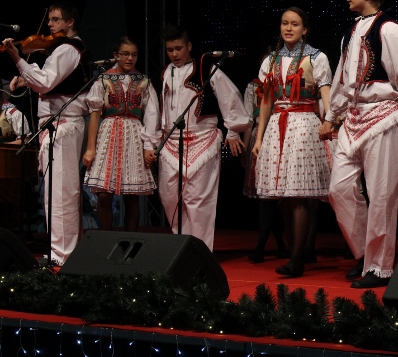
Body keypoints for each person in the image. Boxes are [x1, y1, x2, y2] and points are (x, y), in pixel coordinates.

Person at [319, 0, 398, 288]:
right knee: (339, 190)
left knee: (381, 193)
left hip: (382, 113)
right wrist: (331, 115)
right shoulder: (350, 32)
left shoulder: (388, 29)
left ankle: (380, 266)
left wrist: (396, 102)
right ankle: (365, 253)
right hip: (353, 116)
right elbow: (341, 78)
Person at [2, 1, 90, 265]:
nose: (49, 25)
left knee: (61, 193)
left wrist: (17, 58)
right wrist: (25, 77)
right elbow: (46, 79)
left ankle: (62, 257)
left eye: (55, 19)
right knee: (56, 193)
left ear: (70, 22)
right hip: (56, 125)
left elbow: (44, 83)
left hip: (64, 124)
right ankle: (60, 252)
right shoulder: (61, 49)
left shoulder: (68, 49)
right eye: (49, 19)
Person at [252, 6, 332, 277]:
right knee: (284, 197)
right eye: (285, 23)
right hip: (277, 125)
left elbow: (325, 93)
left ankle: (298, 257)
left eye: (295, 24)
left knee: (298, 194)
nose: (288, 28)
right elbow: (266, 101)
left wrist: (329, 120)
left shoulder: (316, 57)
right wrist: (259, 137)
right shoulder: (271, 60)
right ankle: (292, 253)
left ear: (304, 29)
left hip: (303, 124)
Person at [156, 24, 251, 251]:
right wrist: (152, 141)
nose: (174, 54)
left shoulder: (205, 68)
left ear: (189, 46)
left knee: (198, 199)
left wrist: (233, 129)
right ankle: (181, 246)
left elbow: (229, 96)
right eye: (170, 50)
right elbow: (155, 110)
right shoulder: (164, 73)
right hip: (171, 142)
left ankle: (199, 251)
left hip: (202, 139)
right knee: (169, 196)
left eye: (179, 48)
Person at [82, 36, 160, 231]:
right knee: (104, 194)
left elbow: (152, 114)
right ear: (116, 55)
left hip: (134, 135)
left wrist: (148, 146)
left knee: (131, 196)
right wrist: (90, 148)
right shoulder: (104, 79)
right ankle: (106, 240)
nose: (130, 58)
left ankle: (129, 241)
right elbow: (94, 115)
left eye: (134, 54)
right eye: (125, 54)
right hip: (108, 134)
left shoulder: (143, 81)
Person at [241, 76, 288, 262]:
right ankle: (278, 246)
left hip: (280, 132)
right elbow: (248, 121)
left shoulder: (283, 82)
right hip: (261, 137)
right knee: (266, 198)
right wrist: (246, 149)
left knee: (269, 199)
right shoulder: (253, 86)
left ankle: (264, 246)